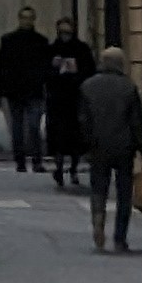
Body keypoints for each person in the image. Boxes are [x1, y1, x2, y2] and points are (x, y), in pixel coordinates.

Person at [77, 44, 142, 252]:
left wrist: (87, 144)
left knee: (98, 188)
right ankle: (120, 238)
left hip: (98, 146)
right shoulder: (128, 87)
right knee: (124, 194)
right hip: (124, 148)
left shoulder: (87, 86)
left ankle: (98, 221)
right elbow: (137, 121)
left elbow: (83, 120)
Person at [0, 8, 52, 172]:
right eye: (24, 18)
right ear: (19, 19)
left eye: (30, 18)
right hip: (15, 90)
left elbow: (47, 69)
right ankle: (20, 160)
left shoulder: (41, 41)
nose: (27, 21)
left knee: (33, 126)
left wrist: (46, 88)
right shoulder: (9, 40)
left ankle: (36, 159)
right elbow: (1, 67)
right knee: (17, 128)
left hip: (33, 90)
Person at [42, 17, 92, 190]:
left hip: (75, 99)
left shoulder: (82, 49)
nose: (65, 36)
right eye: (62, 32)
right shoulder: (51, 50)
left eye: (68, 32)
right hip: (56, 99)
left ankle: (74, 168)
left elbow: (89, 72)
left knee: (76, 136)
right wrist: (54, 69)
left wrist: (75, 72)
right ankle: (59, 166)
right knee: (57, 135)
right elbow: (44, 73)